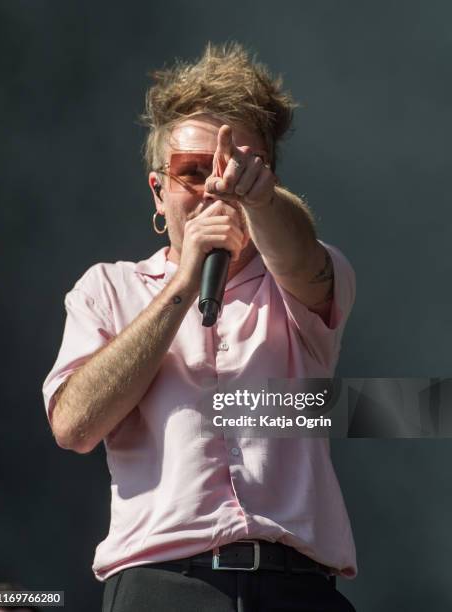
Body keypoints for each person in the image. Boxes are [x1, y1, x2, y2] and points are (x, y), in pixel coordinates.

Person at [43, 42, 357, 611]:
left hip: (298, 588)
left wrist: (261, 201)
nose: (217, 188)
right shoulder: (108, 289)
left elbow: (305, 263)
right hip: (162, 586)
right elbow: (74, 425)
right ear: (158, 193)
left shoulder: (301, 275)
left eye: (239, 169)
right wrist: (182, 285)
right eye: (192, 172)